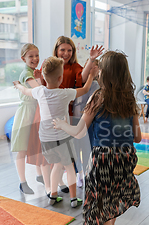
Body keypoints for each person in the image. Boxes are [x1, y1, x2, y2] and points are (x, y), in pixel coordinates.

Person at [53, 50, 142, 225]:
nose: (98, 71)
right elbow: (137, 136)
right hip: (126, 155)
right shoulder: (130, 99)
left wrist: (62, 125)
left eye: (100, 68)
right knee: (110, 201)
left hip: (103, 158)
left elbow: (78, 131)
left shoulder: (99, 97)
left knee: (96, 211)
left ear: (106, 73)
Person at [14, 56, 98, 207]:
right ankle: (73, 199)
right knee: (69, 167)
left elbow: (25, 90)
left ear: (44, 78)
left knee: (57, 165)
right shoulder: (65, 93)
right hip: (62, 138)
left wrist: (18, 85)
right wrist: (91, 75)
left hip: (45, 139)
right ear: (60, 78)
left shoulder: (39, 91)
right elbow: (85, 89)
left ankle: (53, 195)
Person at [52, 36, 104, 189]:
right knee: (58, 150)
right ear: (56, 50)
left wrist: (91, 59)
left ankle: (77, 176)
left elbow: (81, 77)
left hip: (70, 115)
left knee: (72, 149)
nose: (66, 53)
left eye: (69, 50)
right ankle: (58, 180)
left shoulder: (74, 67)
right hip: (55, 112)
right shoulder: (52, 65)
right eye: (63, 50)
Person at [10, 43, 50, 194]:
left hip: (36, 111)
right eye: (31, 56)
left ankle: (39, 175)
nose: (35, 59)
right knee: (22, 148)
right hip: (27, 112)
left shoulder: (35, 71)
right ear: (23, 58)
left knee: (36, 145)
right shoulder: (27, 73)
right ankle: (22, 181)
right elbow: (37, 89)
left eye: (37, 55)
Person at [72, 58, 100, 187]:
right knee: (77, 149)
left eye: (95, 68)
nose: (92, 71)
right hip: (77, 120)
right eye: (90, 67)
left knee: (88, 148)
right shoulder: (78, 83)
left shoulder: (97, 86)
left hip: (90, 123)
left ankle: (88, 173)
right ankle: (79, 174)